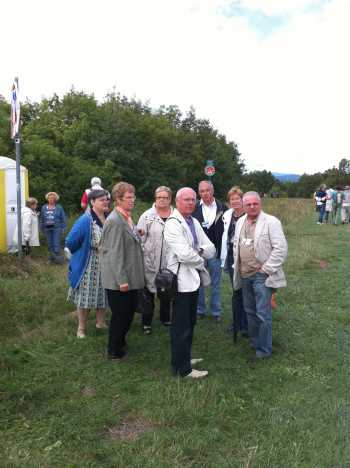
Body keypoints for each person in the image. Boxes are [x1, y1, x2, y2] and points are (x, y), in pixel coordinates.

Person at [164, 187, 215, 379]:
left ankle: (185, 357)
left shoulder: (193, 221)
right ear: (177, 202)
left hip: (193, 280)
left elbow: (211, 248)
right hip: (180, 282)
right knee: (181, 325)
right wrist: (200, 257)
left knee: (190, 322)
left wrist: (198, 251)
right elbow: (184, 254)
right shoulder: (172, 223)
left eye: (193, 200)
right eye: (186, 200)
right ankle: (181, 369)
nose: (191, 203)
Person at [233, 191, 288, 363]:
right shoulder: (240, 221)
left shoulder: (271, 222)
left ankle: (264, 349)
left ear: (260, 203)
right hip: (244, 274)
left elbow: (281, 248)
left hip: (261, 275)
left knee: (263, 313)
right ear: (243, 205)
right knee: (249, 311)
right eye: (248, 204)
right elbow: (237, 246)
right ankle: (255, 342)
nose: (251, 207)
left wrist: (266, 269)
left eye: (254, 203)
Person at [100, 182, 144, 360]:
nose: (132, 200)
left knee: (128, 312)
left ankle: (120, 342)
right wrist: (122, 281)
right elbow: (114, 253)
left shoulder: (126, 217)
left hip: (129, 276)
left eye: (133, 196)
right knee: (121, 316)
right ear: (118, 199)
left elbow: (126, 239)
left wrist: (136, 233)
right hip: (119, 280)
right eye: (129, 197)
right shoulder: (115, 220)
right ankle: (113, 350)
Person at [65, 190, 109, 338]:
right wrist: (83, 251)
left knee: (103, 293)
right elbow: (70, 241)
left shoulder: (109, 217)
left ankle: (100, 322)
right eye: (101, 200)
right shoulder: (86, 220)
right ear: (92, 202)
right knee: (85, 297)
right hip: (89, 264)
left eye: (106, 199)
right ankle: (81, 328)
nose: (105, 202)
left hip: (107, 263)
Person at [137, 186, 173, 334]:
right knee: (149, 294)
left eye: (165, 197)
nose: (162, 200)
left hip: (169, 261)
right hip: (150, 262)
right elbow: (139, 238)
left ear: (170, 199)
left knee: (167, 292)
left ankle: (165, 318)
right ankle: (146, 323)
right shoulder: (147, 216)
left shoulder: (176, 215)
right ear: (155, 199)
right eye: (159, 197)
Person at [192, 180, 226, 321]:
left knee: (215, 283)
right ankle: (200, 310)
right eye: (201, 191)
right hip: (198, 252)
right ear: (199, 193)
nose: (204, 193)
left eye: (207, 190)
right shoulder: (193, 208)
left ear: (212, 191)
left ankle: (216, 311)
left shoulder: (222, 207)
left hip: (215, 252)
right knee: (198, 282)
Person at [220, 187, 248, 339]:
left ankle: (247, 324)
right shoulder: (227, 215)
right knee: (236, 290)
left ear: (242, 200)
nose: (235, 201)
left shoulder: (249, 215)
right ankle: (236, 322)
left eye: (238, 198)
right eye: (232, 199)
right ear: (229, 202)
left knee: (247, 290)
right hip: (231, 255)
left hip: (246, 256)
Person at [40, 192, 67, 263]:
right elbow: (42, 219)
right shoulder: (43, 207)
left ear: (55, 199)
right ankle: (51, 259)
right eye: (49, 198)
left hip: (57, 228)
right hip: (47, 228)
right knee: (49, 244)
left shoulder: (59, 207)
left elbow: (63, 218)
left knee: (56, 243)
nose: (51, 199)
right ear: (47, 199)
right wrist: (41, 228)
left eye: (53, 198)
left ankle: (57, 260)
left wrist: (63, 228)